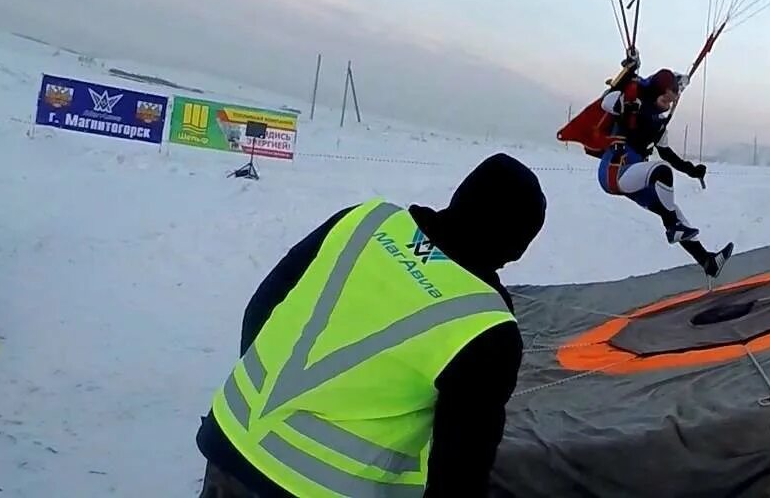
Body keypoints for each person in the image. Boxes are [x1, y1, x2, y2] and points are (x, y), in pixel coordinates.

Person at [196, 153, 546, 497]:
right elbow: (458, 471)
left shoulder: (365, 221)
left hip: (230, 436)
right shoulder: (487, 327)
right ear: (517, 247)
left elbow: (263, 306)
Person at [596, 51, 731, 278]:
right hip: (616, 170)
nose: (668, 105)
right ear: (654, 93)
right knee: (661, 174)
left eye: (671, 101)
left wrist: (692, 170)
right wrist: (629, 71)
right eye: (665, 100)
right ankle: (673, 228)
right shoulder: (631, 102)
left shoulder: (657, 126)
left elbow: (668, 154)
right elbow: (607, 101)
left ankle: (707, 261)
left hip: (635, 174)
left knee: (674, 211)